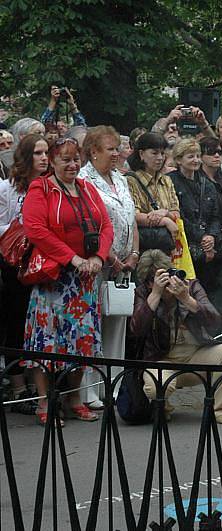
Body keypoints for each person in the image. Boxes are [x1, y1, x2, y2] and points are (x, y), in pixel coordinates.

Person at [23, 137, 113, 426]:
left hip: (85, 279)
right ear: (52, 160)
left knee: (82, 341)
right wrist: (71, 259)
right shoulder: (42, 187)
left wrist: (99, 256)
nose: (73, 165)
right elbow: (35, 229)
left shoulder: (87, 187)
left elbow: (106, 224)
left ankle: (74, 398)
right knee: (48, 341)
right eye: (66, 159)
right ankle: (45, 402)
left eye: (76, 159)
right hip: (55, 278)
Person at [132, 250, 222, 424]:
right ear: (148, 283)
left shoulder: (191, 286)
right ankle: (163, 406)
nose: (168, 282)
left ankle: (219, 408)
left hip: (195, 358)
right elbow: (136, 330)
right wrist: (155, 295)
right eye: (159, 278)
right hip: (162, 361)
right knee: (155, 388)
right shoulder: (143, 293)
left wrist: (186, 299)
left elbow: (215, 321)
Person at [79, 126, 140, 409]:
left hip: (125, 263)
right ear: (93, 151)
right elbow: (91, 224)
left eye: (118, 148)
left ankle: (112, 386)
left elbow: (130, 217)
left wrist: (134, 254)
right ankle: (88, 389)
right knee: (94, 324)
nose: (117, 154)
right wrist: (112, 257)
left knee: (117, 324)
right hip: (100, 263)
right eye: (110, 149)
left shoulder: (120, 178)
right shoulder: (84, 179)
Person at [0, 134, 49, 414]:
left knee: (39, 325)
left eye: (46, 152)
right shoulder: (8, 188)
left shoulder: (50, 186)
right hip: (16, 263)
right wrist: (23, 231)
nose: (43, 158)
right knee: (17, 321)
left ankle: (39, 383)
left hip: (44, 263)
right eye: (37, 153)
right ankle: (19, 387)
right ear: (26, 156)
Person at [168, 138, 222, 290]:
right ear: (179, 159)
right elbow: (178, 215)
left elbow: (215, 216)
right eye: (191, 156)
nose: (196, 160)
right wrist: (201, 236)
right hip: (184, 245)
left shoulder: (208, 184)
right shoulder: (170, 182)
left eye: (198, 156)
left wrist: (211, 236)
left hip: (208, 246)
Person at [127, 133, 181, 253]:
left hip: (167, 246)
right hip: (143, 246)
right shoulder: (130, 180)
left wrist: (165, 212)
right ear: (141, 154)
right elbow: (133, 215)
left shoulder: (166, 180)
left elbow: (176, 212)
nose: (160, 158)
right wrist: (165, 221)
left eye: (162, 153)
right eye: (154, 153)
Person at [199, 137, 222, 216]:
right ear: (200, 156)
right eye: (211, 152)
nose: (217, 155)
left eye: (219, 152)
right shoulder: (196, 181)